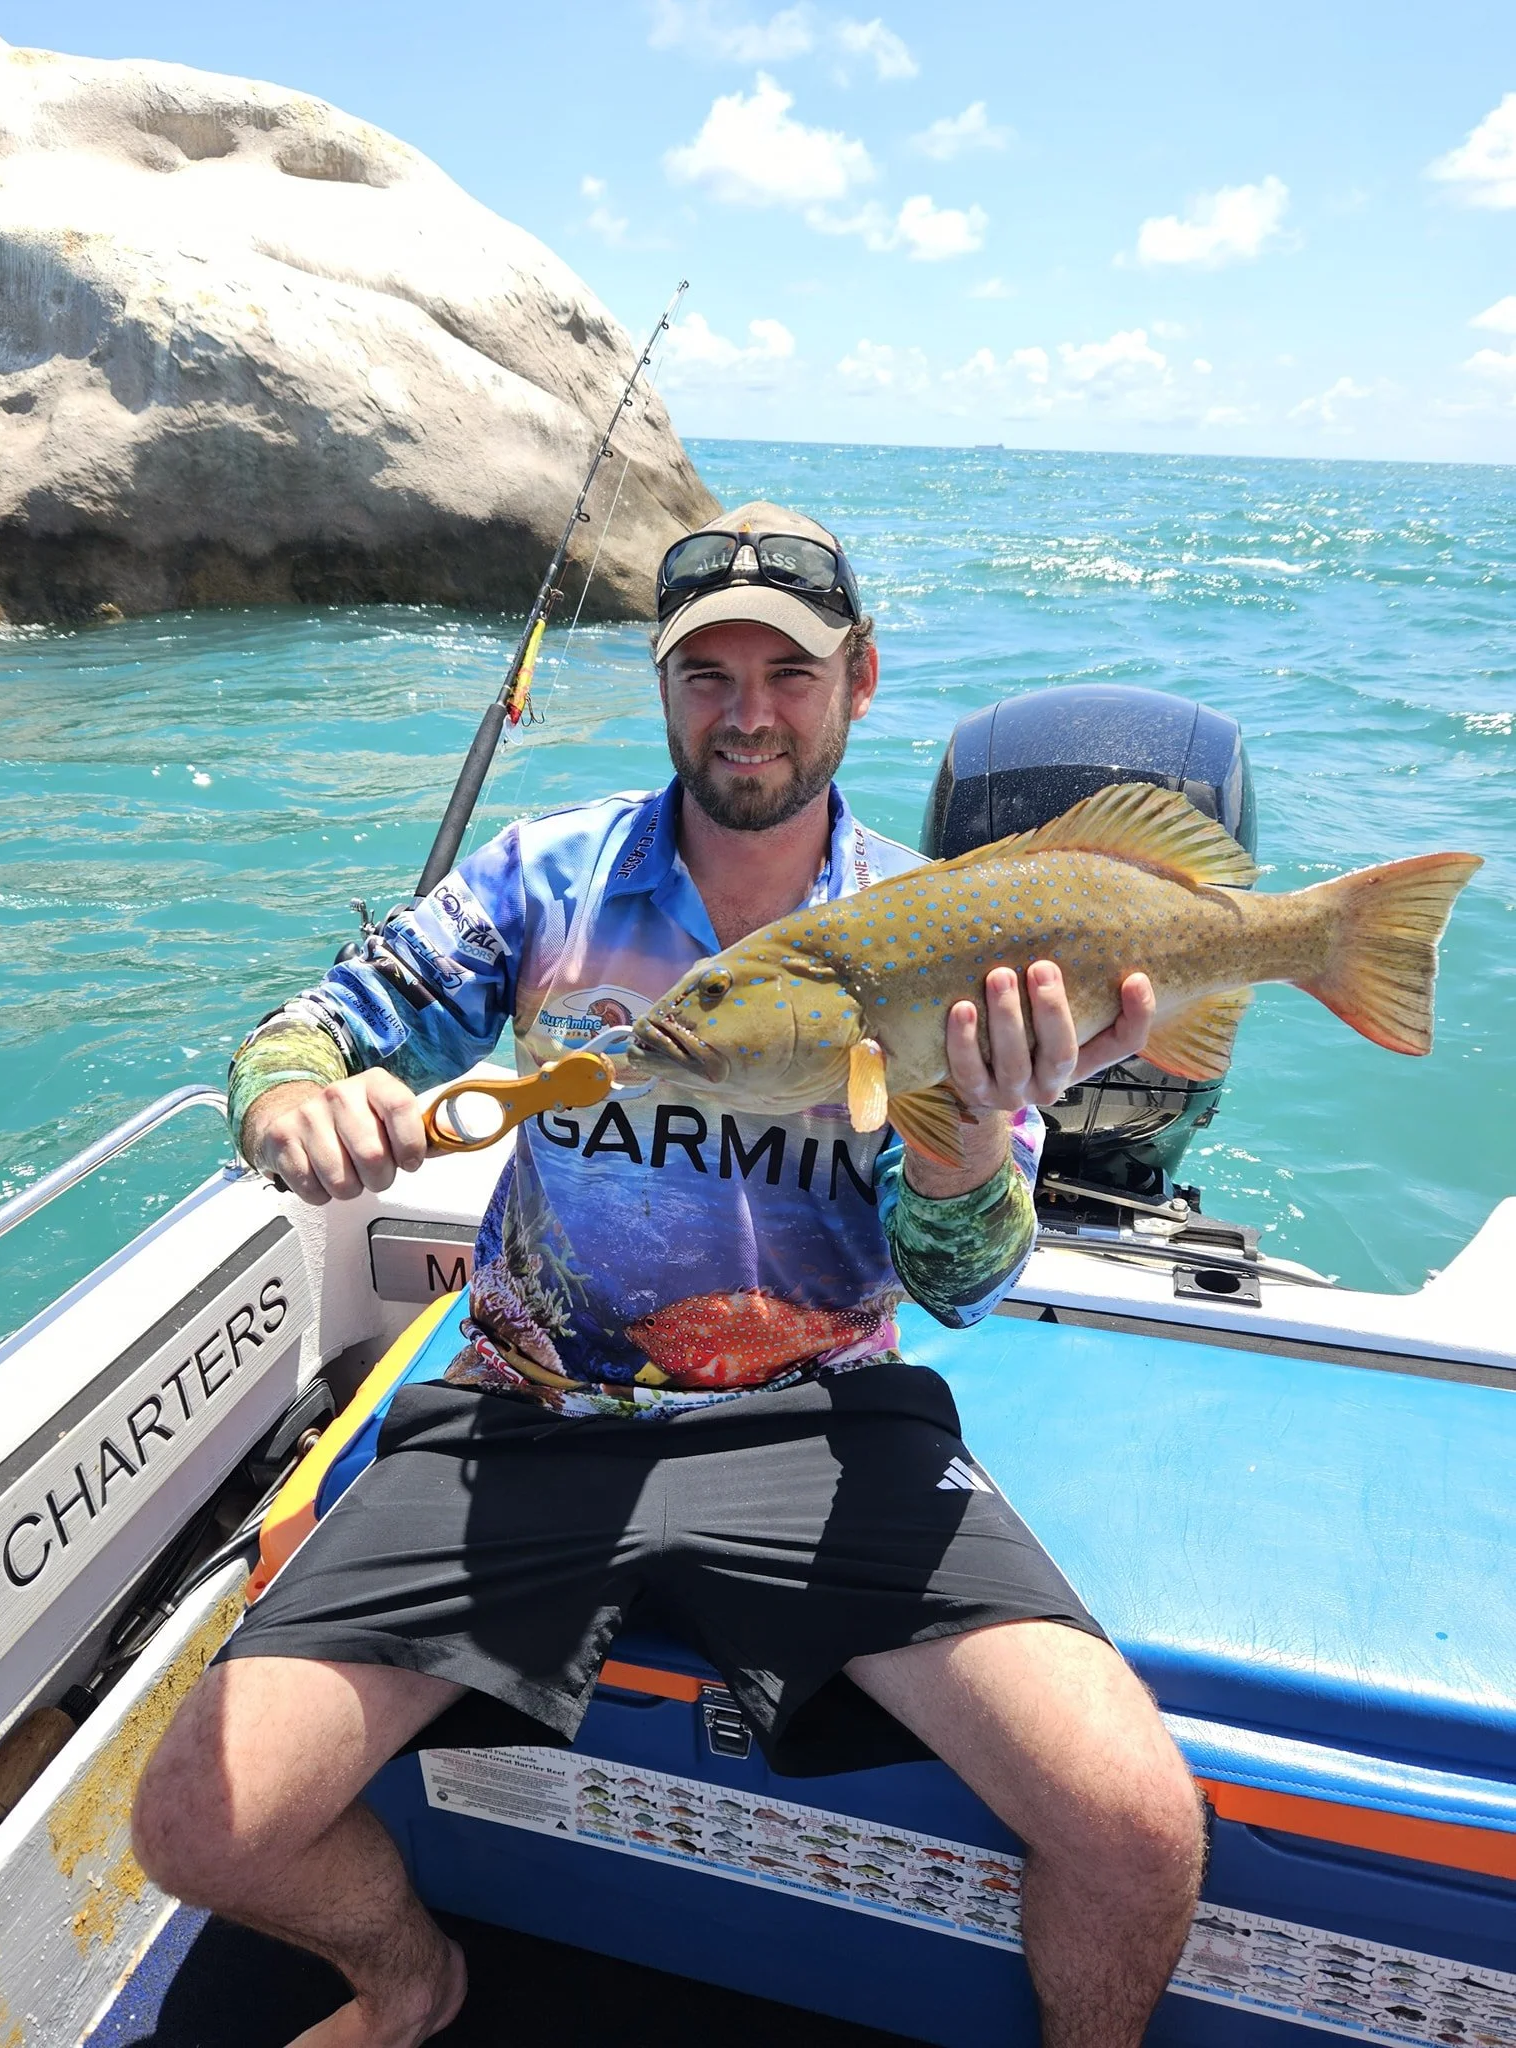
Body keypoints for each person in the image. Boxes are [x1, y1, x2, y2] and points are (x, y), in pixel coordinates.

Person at [133, 502, 1205, 2048]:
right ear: (660, 686)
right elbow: (307, 1031)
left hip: (819, 1423)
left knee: (1134, 1828)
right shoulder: (542, 884)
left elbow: (965, 1286)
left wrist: (968, 1151)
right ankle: (409, 1978)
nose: (749, 710)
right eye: (709, 672)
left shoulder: (956, 928)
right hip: (525, 1406)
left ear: (860, 683)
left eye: (791, 669)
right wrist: (291, 1098)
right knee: (197, 1826)